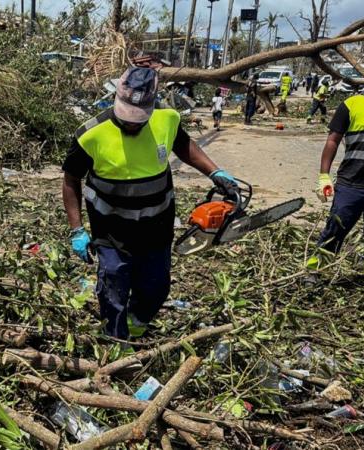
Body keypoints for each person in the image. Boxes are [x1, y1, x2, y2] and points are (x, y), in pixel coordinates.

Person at [61, 67, 241, 341]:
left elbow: (184, 146)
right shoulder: (91, 135)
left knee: (157, 287)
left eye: (138, 119)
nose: (132, 123)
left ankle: (136, 323)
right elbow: (70, 180)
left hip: (157, 229)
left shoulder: (166, 121)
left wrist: (215, 172)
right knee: (113, 290)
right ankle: (117, 342)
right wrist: (77, 229)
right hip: (111, 232)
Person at [307, 93, 364, 273]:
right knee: (335, 230)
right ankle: (314, 271)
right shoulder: (352, 104)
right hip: (352, 182)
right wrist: (324, 175)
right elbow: (333, 140)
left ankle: (362, 267)